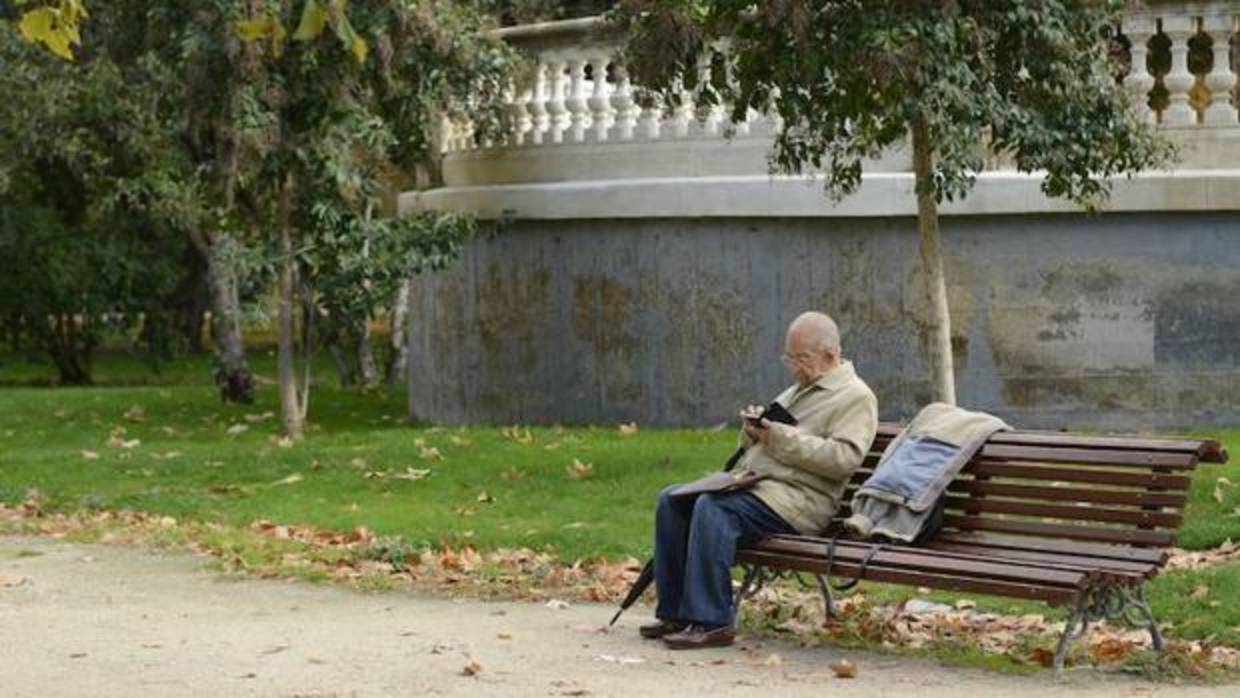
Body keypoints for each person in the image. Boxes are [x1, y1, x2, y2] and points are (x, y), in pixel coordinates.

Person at [644, 311, 878, 649]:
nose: (794, 366)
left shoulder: (856, 397)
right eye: (789, 358)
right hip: (760, 487)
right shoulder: (799, 389)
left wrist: (779, 438)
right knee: (672, 499)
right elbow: (765, 442)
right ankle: (676, 613)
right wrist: (753, 430)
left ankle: (712, 621)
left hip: (802, 502)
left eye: (802, 358)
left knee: (714, 509)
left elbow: (843, 460)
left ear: (830, 355)